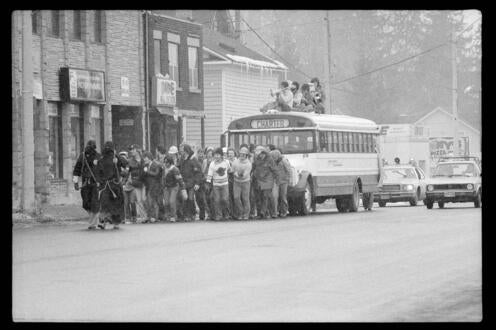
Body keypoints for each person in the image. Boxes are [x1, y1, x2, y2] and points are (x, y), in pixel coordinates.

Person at [95, 141, 125, 230]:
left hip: (109, 185)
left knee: (106, 204)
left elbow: (97, 174)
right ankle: (112, 222)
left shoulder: (103, 160)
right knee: (114, 204)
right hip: (112, 185)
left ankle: (104, 221)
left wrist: (100, 182)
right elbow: (125, 164)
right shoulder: (103, 160)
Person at [72, 140, 101, 230]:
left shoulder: (98, 156)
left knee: (95, 203)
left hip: (95, 183)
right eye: (88, 145)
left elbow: (102, 171)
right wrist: (75, 182)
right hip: (85, 183)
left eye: (91, 146)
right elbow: (77, 169)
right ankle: (95, 219)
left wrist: (101, 182)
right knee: (86, 203)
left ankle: (93, 223)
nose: (89, 147)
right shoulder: (83, 156)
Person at [180, 144, 205, 221]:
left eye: (182, 151)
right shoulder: (182, 160)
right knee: (185, 199)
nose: (181, 152)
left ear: (186, 151)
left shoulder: (193, 160)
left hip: (192, 183)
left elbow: (198, 172)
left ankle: (191, 214)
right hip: (184, 183)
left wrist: (197, 183)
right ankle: (187, 215)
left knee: (191, 199)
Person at [206, 148, 231, 221]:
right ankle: (218, 215)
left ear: (221, 155)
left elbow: (229, 169)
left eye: (218, 155)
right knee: (216, 200)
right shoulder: (212, 164)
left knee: (225, 199)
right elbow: (209, 174)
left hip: (225, 184)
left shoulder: (226, 162)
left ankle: (226, 214)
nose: (216, 156)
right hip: (216, 185)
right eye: (215, 155)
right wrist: (208, 182)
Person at [252, 145, 278, 219]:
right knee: (260, 197)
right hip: (259, 180)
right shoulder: (256, 159)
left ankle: (267, 212)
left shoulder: (270, 159)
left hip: (268, 180)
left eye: (261, 154)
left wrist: (277, 179)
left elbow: (274, 170)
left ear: (264, 153)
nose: (260, 155)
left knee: (266, 196)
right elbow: (253, 168)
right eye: (258, 154)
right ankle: (264, 213)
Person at [162, 155, 187, 222]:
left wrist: (183, 189)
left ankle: (173, 216)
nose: (165, 164)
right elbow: (163, 179)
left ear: (170, 162)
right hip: (166, 188)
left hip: (174, 187)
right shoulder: (164, 169)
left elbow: (180, 179)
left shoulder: (175, 169)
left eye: (167, 162)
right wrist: (163, 186)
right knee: (166, 202)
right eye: (164, 162)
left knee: (172, 201)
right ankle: (168, 215)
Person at [232, 146, 252, 220]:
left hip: (245, 182)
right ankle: (240, 212)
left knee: (245, 198)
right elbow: (232, 170)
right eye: (241, 154)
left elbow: (245, 175)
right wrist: (236, 174)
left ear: (246, 155)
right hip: (236, 182)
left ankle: (246, 214)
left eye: (243, 154)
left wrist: (240, 174)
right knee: (236, 197)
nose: (242, 156)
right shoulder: (235, 162)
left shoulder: (248, 164)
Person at [270, 149, 292, 218]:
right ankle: (275, 212)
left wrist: (289, 179)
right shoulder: (273, 162)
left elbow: (289, 170)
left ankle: (284, 211)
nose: (273, 158)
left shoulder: (284, 161)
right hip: (276, 181)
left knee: (283, 197)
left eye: (274, 156)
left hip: (284, 181)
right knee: (274, 197)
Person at [127, 148, 147, 222]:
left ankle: (148, 215)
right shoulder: (130, 161)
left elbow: (146, 170)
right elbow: (127, 171)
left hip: (144, 182)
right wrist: (128, 179)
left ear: (138, 151)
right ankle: (143, 217)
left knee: (144, 199)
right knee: (139, 200)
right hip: (136, 183)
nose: (132, 151)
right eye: (131, 150)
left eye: (133, 150)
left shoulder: (143, 160)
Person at [142, 151, 163, 223]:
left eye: (145, 158)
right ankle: (150, 216)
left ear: (149, 158)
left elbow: (156, 174)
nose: (144, 159)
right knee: (148, 201)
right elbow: (144, 176)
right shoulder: (146, 165)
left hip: (155, 186)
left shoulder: (156, 164)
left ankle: (155, 217)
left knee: (153, 202)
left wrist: (147, 171)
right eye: (144, 158)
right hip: (148, 186)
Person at [202, 146, 215, 220]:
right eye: (208, 153)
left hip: (213, 181)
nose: (209, 155)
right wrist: (207, 164)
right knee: (206, 199)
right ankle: (209, 214)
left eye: (211, 153)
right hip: (206, 182)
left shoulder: (215, 161)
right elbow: (203, 172)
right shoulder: (204, 161)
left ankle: (213, 213)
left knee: (212, 198)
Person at [226, 147, 237, 219]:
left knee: (235, 197)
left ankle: (236, 213)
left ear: (234, 154)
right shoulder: (226, 162)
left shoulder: (237, 161)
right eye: (229, 153)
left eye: (232, 153)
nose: (230, 155)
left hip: (236, 181)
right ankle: (231, 213)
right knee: (229, 198)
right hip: (228, 181)